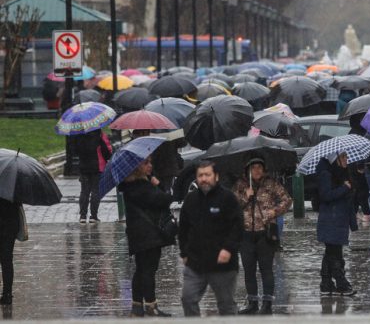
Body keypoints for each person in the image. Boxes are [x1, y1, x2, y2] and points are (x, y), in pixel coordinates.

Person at [179, 161, 244, 316]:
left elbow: (238, 227)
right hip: (195, 263)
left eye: (207, 175)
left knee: (226, 305)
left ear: (216, 176)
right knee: (188, 299)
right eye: (200, 175)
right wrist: (184, 253)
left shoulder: (227, 198)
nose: (204, 179)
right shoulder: (190, 199)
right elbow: (183, 228)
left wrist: (228, 249)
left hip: (223, 265)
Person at [233, 158, 292, 315]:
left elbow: (287, 200)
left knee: (266, 270)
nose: (257, 170)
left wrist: (274, 211)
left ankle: (267, 304)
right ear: (248, 170)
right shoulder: (241, 185)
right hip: (246, 234)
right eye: (254, 167)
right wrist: (246, 196)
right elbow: (232, 205)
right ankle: (252, 303)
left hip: (265, 233)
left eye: (260, 167)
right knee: (249, 270)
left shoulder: (271, 184)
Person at [120, 157, 174, 317]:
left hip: (138, 234)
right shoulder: (141, 187)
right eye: (146, 163)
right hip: (148, 234)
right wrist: (158, 184)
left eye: (151, 162)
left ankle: (137, 307)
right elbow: (165, 200)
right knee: (148, 270)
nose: (150, 165)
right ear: (136, 168)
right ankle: (151, 306)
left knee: (141, 269)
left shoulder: (130, 186)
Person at [317, 151, 358, 296]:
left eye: (346, 156)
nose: (346, 159)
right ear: (335, 160)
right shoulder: (327, 174)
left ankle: (326, 284)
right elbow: (326, 195)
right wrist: (345, 188)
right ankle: (341, 284)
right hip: (331, 219)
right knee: (335, 254)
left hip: (338, 219)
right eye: (343, 157)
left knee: (331, 253)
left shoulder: (341, 174)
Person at [74, 129, 112, 223]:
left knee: (84, 191)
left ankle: (82, 216)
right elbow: (107, 150)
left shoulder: (78, 134)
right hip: (97, 166)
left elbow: (74, 150)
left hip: (84, 167)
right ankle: (93, 216)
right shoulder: (99, 134)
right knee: (95, 191)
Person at [0, 200, 20, 305]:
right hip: (10, 225)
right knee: (7, 260)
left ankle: (7, 294)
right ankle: (7, 294)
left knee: (6, 260)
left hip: (8, 225)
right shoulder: (14, 186)